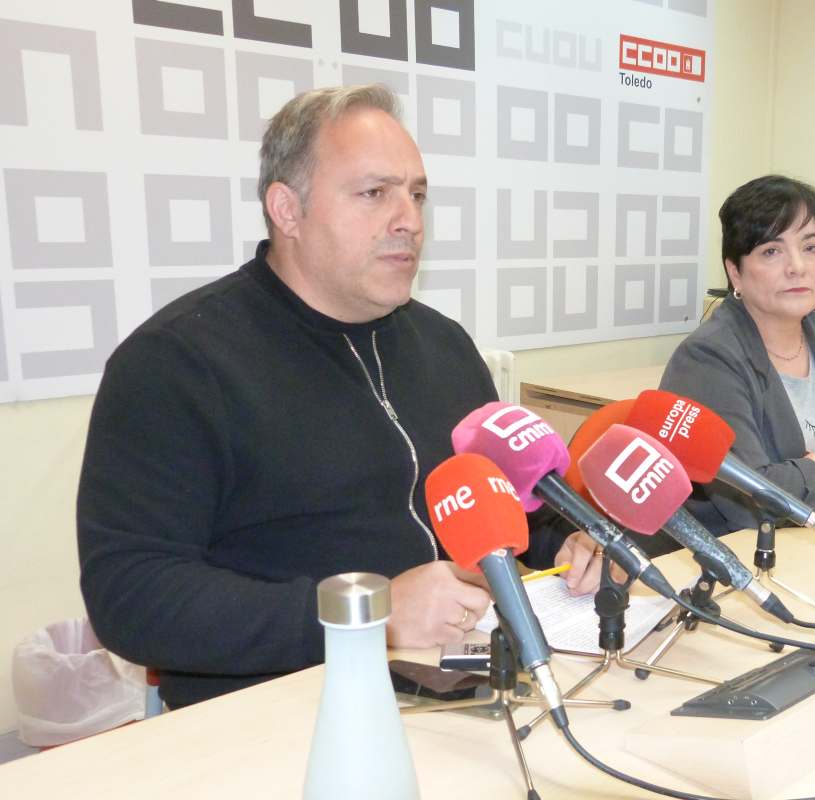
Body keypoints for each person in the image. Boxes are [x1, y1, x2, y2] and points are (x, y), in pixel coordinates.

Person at [77, 85, 600, 708]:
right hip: (277, 705)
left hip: (465, 684)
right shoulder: (176, 364)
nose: (409, 218)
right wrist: (369, 613)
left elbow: (504, 512)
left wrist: (569, 546)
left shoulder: (446, 346)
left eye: (417, 193)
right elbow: (132, 598)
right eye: (374, 193)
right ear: (287, 210)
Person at [659, 175, 815, 536]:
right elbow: (749, 500)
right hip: (734, 557)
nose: (797, 266)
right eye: (771, 251)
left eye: (810, 247)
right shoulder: (707, 359)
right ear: (735, 273)